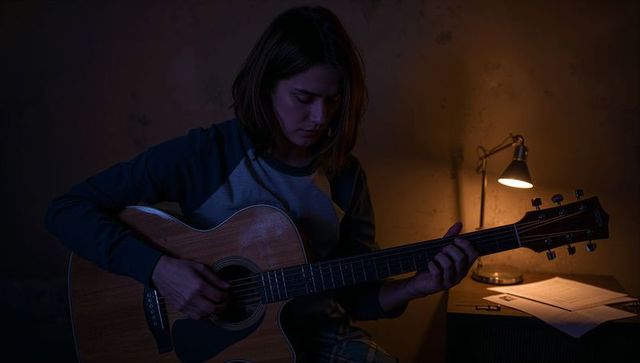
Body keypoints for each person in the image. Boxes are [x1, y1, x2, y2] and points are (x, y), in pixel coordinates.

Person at [45, 5, 478, 362]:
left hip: (317, 338)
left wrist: (418, 285)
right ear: (266, 87)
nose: (320, 118)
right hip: (218, 346)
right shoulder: (208, 153)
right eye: (304, 99)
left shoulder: (345, 176)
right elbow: (67, 210)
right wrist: (160, 270)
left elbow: (355, 296)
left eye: (334, 101)